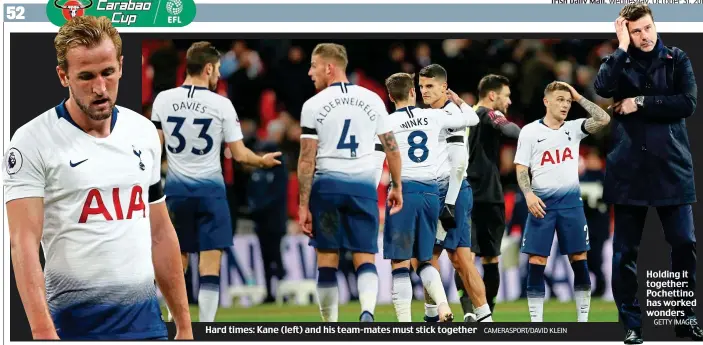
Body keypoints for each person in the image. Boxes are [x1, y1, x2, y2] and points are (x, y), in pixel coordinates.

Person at [4, 16, 192, 340]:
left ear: (121, 65)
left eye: (108, 73)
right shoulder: (31, 140)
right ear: (63, 76)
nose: (100, 88)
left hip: (148, 329)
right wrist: (44, 334)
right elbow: (23, 245)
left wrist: (185, 327)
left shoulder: (144, 132)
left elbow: (160, 233)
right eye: (86, 77)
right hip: (73, 331)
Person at [150, 41, 281, 322]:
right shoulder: (221, 103)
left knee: (178, 259)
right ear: (208, 67)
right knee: (211, 263)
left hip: (176, 191)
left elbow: (154, 148)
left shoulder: (163, 99)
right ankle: (206, 326)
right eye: (218, 69)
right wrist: (261, 160)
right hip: (212, 193)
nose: (219, 75)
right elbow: (239, 154)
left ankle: (173, 318)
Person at [593, 4, 701, 343]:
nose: (644, 35)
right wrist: (620, 47)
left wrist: (640, 101)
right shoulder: (619, 60)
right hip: (629, 171)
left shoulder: (677, 59)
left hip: (672, 168)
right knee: (625, 253)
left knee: (684, 244)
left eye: (647, 28)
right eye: (636, 30)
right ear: (627, 32)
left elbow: (688, 103)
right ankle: (632, 326)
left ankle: (684, 318)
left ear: (656, 25)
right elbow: (602, 87)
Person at [297, 43, 403, 322]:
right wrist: (397, 186)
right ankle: (367, 311)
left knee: (327, 260)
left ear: (329, 67)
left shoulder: (312, 105)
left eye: (314, 65)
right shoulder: (373, 99)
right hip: (363, 189)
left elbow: (307, 159)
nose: (310, 72)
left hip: (327, 188)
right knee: (365, 256)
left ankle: (330, 325)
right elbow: (391, 148)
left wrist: (302, 205)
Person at [382, 72, 479, 322]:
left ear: (391, 96)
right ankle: (444, 306)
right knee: (425, 259)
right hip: (431, 193)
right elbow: (470, 119)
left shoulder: (386, 122)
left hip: (404, 192)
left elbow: (375, 158)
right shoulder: (434, 115)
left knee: (400, 262)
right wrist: (458, 101)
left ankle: (405, 324)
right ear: (413, 92)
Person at [514, 81, 611, 323]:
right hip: (541, 205)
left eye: (568, 101)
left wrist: (579, 97)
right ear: (546, 101)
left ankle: (582, 321)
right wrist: (528, 194)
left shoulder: (574, 128)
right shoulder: (529, 132)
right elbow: (521, 167)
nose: (565, 104)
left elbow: (603, 119)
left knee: (579, 259)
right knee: (537, 261)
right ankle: (537, 322)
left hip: (571, 206)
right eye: (560, 99)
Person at [415, 64, 493, 323]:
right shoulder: (433, 115)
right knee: (434, 257)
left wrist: (449, 202)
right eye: (421, 86)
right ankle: (440, 314)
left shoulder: (450, 114)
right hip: (435, 191)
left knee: (454, 258)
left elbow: (459, 162)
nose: (424, 91)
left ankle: (480, 317)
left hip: (452, 192)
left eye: (430, 86)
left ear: (444, 88)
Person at [464, 74, 521, 316]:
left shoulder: (463, 116)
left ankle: (471, 313)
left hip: (465, 194)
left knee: (465, 259)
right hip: (485, 197)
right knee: (489, 259)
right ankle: (485, 315)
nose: (509, 102)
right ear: (492, 95)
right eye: (506, 96)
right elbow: (512, 130)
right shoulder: (485, 114)